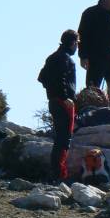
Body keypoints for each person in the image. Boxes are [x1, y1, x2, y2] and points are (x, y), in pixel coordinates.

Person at [37, 29, 78, 182]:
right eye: (77, 43)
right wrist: (64, 96)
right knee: (64, 138)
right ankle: (59, 174)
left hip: (53, 101)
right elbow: (61, 78)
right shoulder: (65, 59)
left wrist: (52, 92)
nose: (77, 47)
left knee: (60, 137)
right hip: (63, 102)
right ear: (73, 43)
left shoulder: (52, 57)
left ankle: (57, 173)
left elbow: (42, 77)